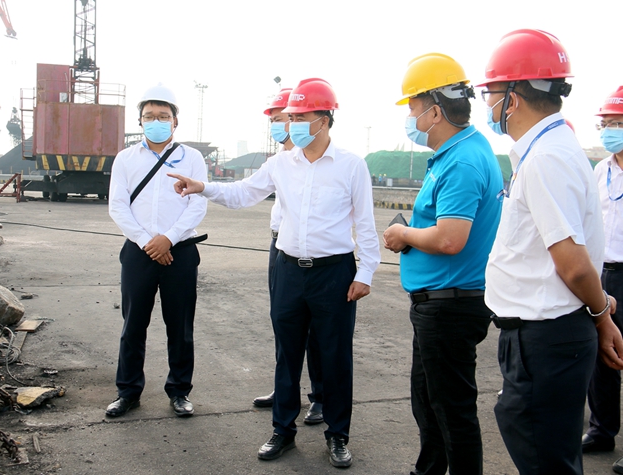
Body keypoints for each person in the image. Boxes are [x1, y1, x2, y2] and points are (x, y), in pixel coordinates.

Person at [169, 78, 380, 468]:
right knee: (287, 355)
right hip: (288, 271)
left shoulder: (351, 166)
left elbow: (365, 223)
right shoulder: (280, 164)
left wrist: (365, 271)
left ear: (324, 119)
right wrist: (203, 187)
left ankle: (338, 435)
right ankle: (283, 430)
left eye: (300, 117)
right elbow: (243, 193)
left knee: (335, 357)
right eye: (291, 117)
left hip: (334, 273)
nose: (292, 124)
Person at [480, 29, 623, 475]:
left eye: (491, 93)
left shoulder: (546, 159)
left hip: (545, 339)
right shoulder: (550, 150)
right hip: (546, 335)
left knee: (545, 457)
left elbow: (573, 265)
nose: (488, 104)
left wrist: (601, 315)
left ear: (513, 97)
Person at [382, 53, 502, 475]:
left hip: (450, 306)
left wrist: (403, 235)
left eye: (413, 107)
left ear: (435, 111)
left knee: (452, 411)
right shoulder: (457, 152)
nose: (410, 118)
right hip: (439, 302)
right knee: (430, 403)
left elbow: (450, 238)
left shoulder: (462, 160)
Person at [105, 83, 208, 419]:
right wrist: (148, 242)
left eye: (163, 116)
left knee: (180, 326)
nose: (156, 121)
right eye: (149, 116)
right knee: (133, 325)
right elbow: (118, 206)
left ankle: (179, 391)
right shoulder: (126, 159)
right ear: (140, 121)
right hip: (139, 252)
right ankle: (128, 392)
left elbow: (197, 205)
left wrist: (169, 239)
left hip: (181, 252)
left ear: (175, 121)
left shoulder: (192, 158)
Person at [252, 88, 325, 426]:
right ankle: (285, 390)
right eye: (274, 121)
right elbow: (246, 191)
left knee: (315, 331)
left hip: (310, 255)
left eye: (282, 119)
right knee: (283, 323)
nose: (278, 126)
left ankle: (321, 396)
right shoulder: (279, 161)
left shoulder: (312, 158)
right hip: (280, 248)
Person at [585, 86, 623, 473]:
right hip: (603, 274)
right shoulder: (601, 171)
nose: (610, 131)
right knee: (603, 355)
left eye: (617, 123)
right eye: (606, 124)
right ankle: (601, 430)